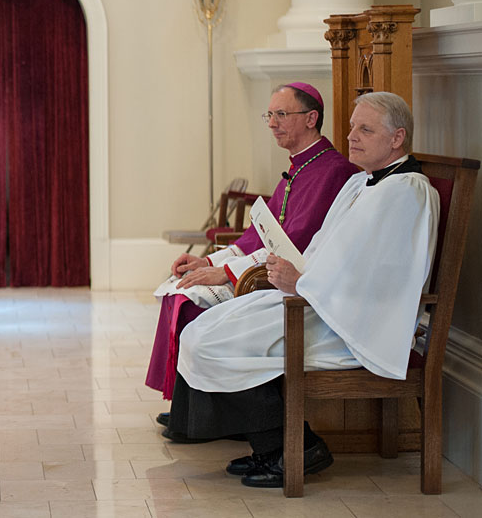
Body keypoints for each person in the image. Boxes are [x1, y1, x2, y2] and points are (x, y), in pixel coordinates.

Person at [168, 91, 439, 488]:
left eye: (365, 129)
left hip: (353, 322)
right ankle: (271, 446)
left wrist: (301, 282)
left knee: (215, 343)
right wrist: (292, 271)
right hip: (319, 299)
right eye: (351, 128)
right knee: (202, 330)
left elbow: (382, 277)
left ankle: (295, 448)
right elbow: (324, 249)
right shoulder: (362, 183)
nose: (351, 137)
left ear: (397, 138)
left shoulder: (407, 191)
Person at [147, 83, 357, 428]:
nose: (272, 123)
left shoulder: (331, 171)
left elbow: (294, 243)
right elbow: (259, 232)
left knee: (191, 300)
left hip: (290, 282)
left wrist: (227, 274)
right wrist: (210, 262)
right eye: (269, 115)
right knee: (180, 288)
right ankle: (190, 411)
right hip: (267, 271)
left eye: (281, 114)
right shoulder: (300, 166)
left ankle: (211, 417)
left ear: (311, 118)